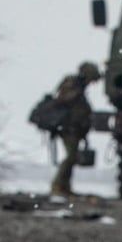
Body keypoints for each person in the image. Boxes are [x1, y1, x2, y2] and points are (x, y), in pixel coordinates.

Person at [47, 61, 101, 197]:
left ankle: (64, 186)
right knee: (71, 157)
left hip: (76, 128)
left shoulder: (80, 88)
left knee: (73, 156)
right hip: (68, 127)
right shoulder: (72, 84)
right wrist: (75, 94)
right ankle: (57, 185)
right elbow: (62, 99)